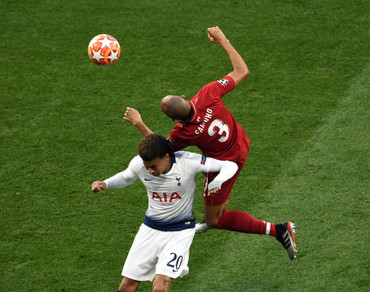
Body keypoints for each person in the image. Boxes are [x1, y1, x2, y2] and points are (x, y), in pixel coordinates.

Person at [123, 26, 297, 260]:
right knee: (212, 208)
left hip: (224, 164)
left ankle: (279, 229)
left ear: (174, 119)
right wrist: (223, 40)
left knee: (215, 219)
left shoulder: (183, 132)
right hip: (242, 141)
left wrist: (139, 123)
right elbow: (242, 71)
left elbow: (160, 151)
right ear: (184, 97)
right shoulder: (208, 93)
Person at [79, 133, 238, 292]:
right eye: (146, 167)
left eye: (153, 167)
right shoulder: (141, 164)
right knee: (126, 286)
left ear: (167, 157)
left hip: (179, 233)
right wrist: (106, 183)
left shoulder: (189, 162)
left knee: (158, 288)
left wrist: (217, 181)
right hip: (149, 230)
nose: (149, 172)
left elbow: (230, 165)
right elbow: (126, 176)